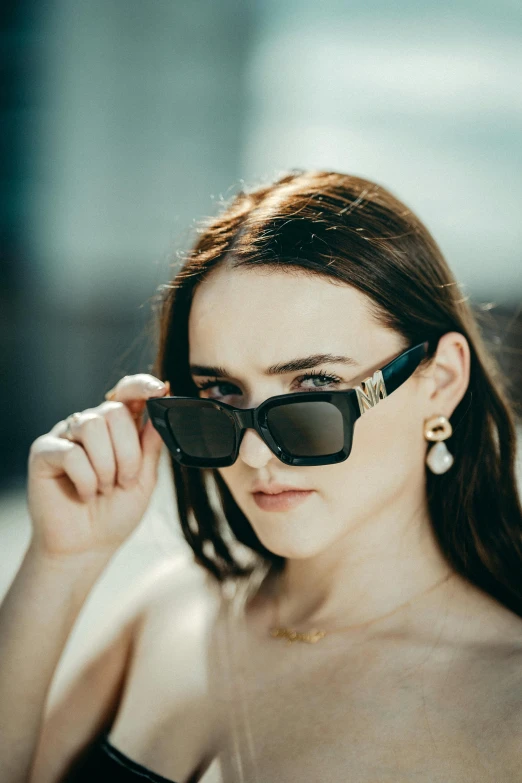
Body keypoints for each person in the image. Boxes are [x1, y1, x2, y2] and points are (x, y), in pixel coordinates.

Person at [1, 170, 521, 783]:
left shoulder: (506, 699)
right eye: (220, 392)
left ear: (440, 382)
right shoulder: (172, 610)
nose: (251, 453)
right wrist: (61, 560)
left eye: (316, 387)